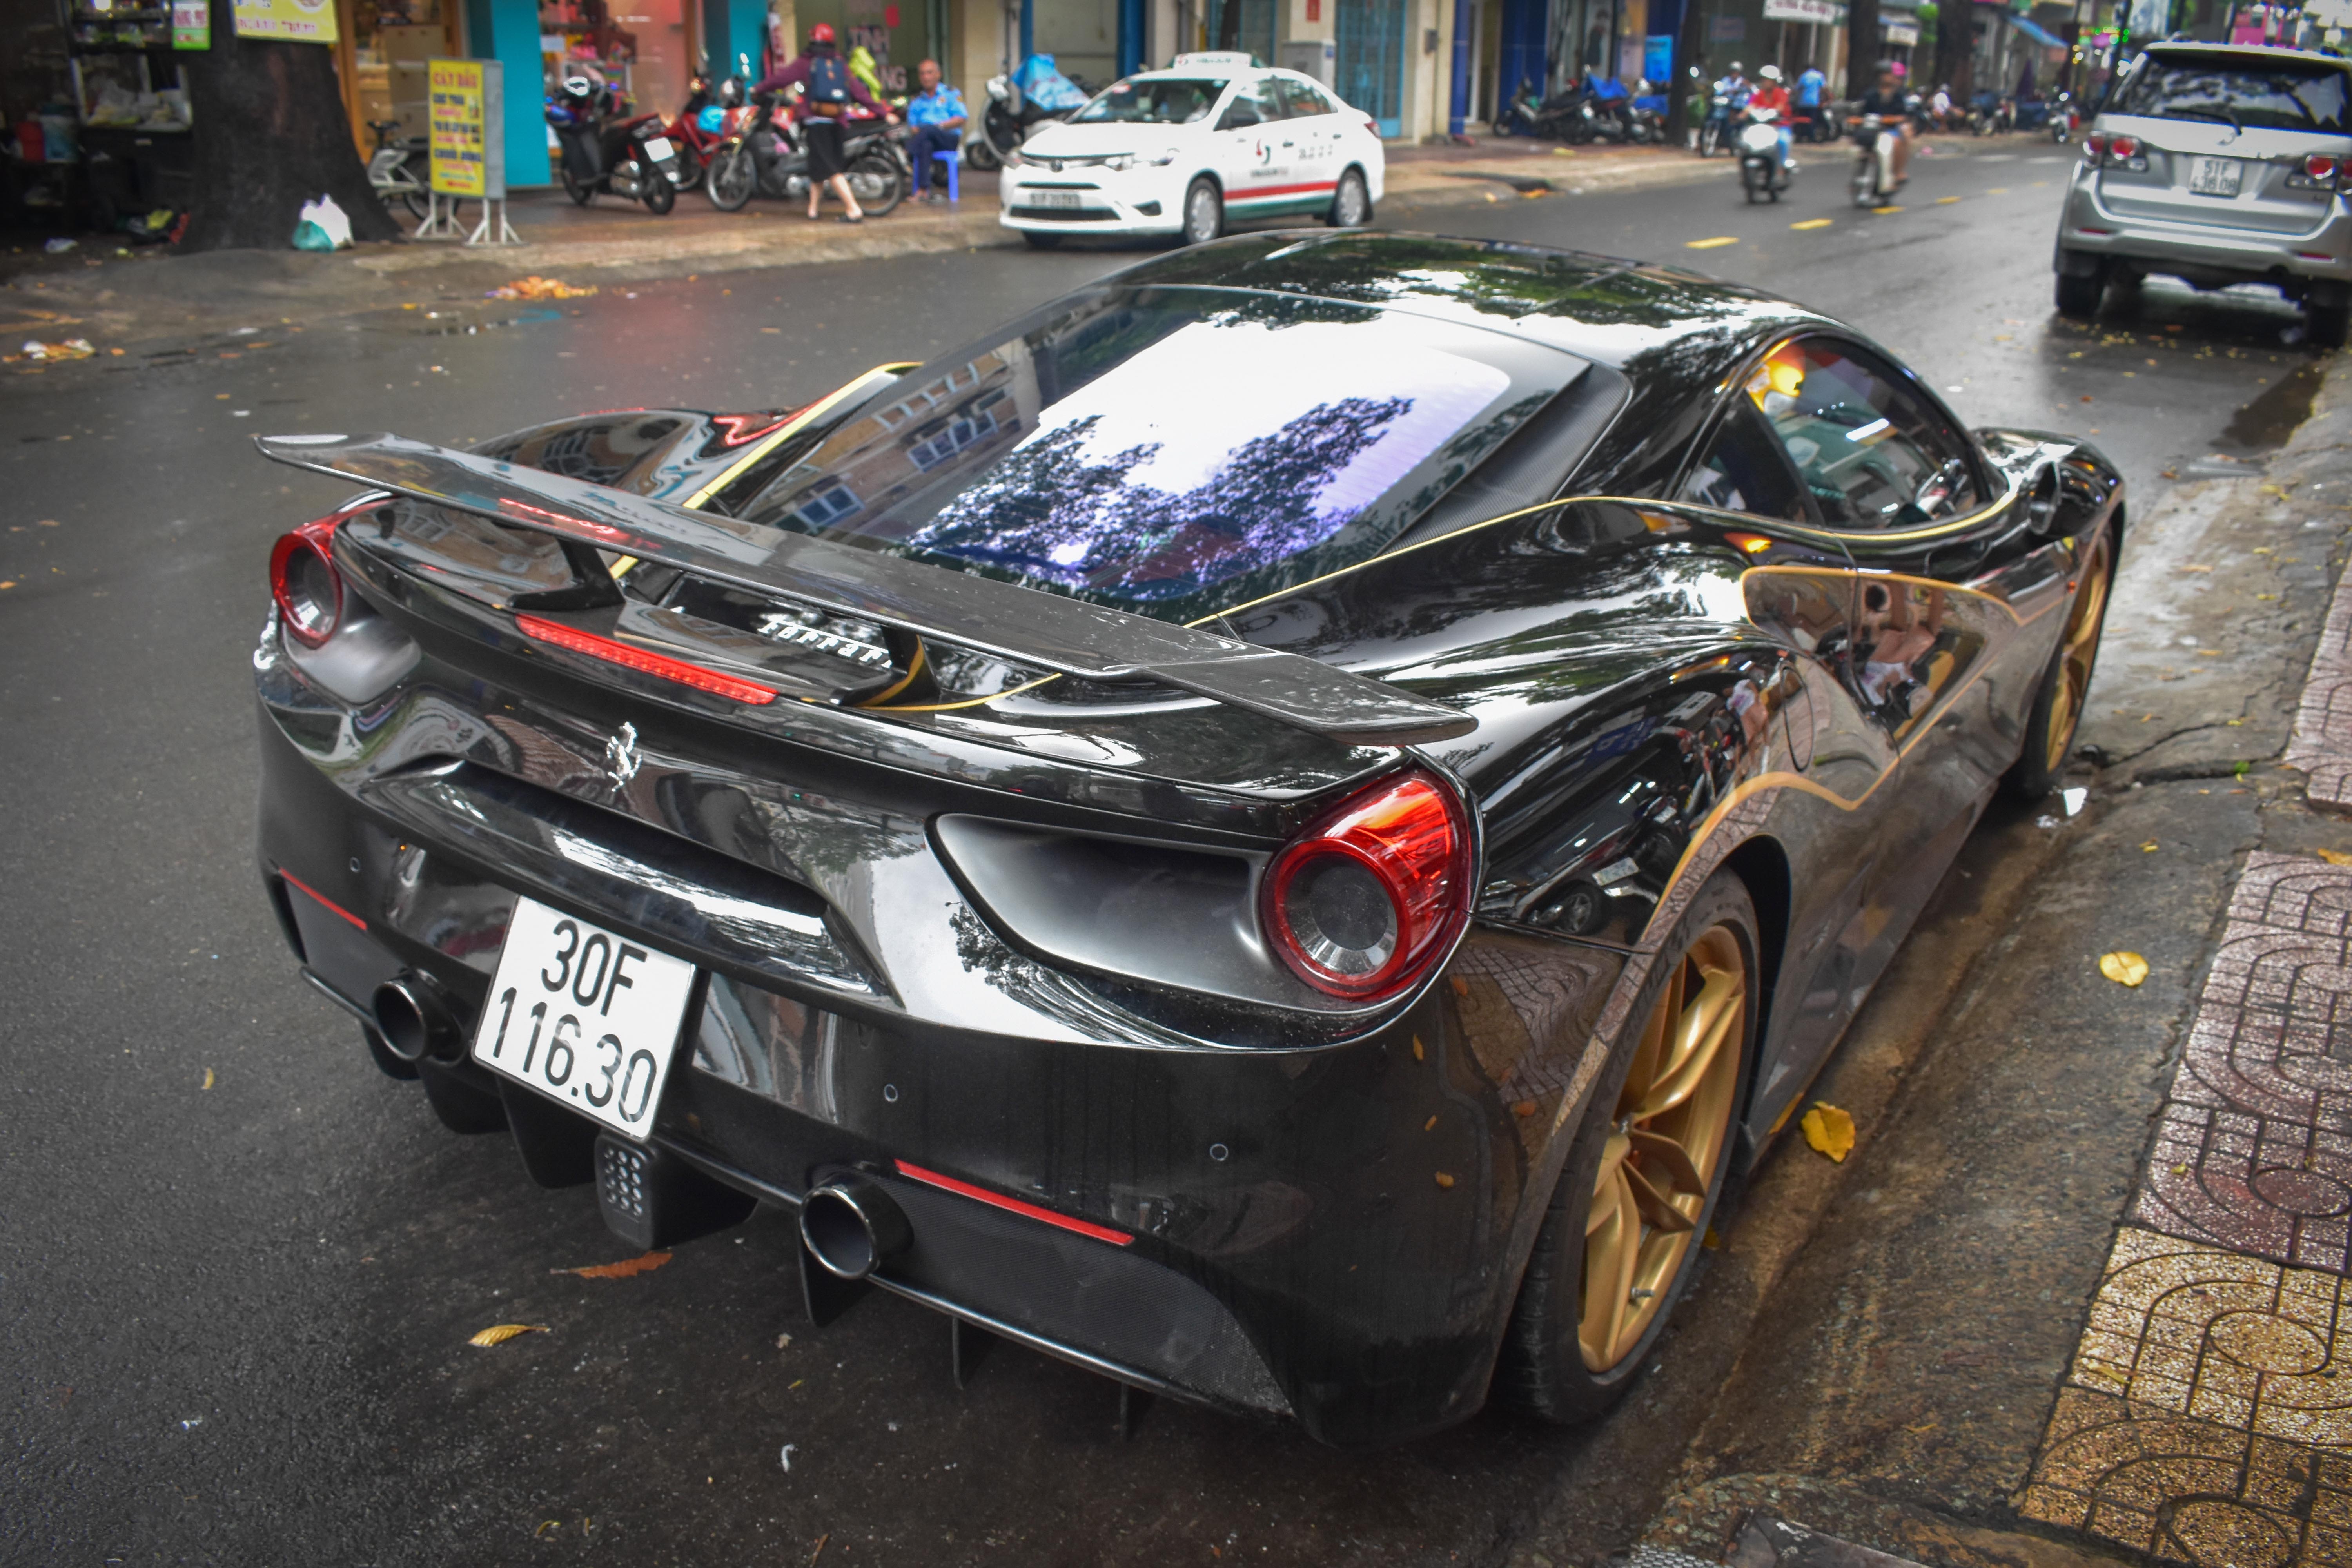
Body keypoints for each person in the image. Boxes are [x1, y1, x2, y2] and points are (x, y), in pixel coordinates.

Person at [751, 22, 896, 223]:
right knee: (818, 167)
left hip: (817, 122)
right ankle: (813, 210)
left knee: (829, 168)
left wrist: (759, 88)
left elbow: (781, 79)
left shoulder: (807, 61)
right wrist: (881, 111)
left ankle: (853, 209)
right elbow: (858, 91)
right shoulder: (839, 63)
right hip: (838, 121)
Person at [905, 58, 967, 202]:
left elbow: (961, 118)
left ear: (938, 75)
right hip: (925, 138)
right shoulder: (917, 102)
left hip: (948, 138)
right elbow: (914, 128)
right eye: (922, 74)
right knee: (926, 145)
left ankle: (908, 152)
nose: (926, 77)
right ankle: (923, 190)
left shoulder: (951, 94)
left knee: (929, 129)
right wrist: (926, 131)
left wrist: (939, 126)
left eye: (930, 73)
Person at [1857, 67, 1912, 186]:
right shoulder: (1870, 94)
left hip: (1890, 129)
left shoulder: (1898, 95)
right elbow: (1862, 112)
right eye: (1885, 74)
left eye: (1890, 74)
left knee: (1898, 141)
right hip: (1872, 129)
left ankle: (1898, 172)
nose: (1888, 77)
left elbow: (1903, 115)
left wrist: (1892, 119)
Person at [1748, 64, 1795, 169]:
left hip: (1780, 126)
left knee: (1782, 141)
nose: (1764, 82)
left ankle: (1781, 167)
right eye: (1763, 79)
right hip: (1762, 126)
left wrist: (1773, 113)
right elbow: (1750, 106)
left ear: (1774, 81)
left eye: (1767, 80)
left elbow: (1780, 107)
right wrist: (1742, 116)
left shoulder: (1780, 93)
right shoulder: (1759, 94)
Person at [1796, 61, 1826, 138]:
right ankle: (1811, 137)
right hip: (1814, 102)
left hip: (1803, 102)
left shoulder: (1803, 76)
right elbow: (1823, 88)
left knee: (1802, 121)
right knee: (1812, 120)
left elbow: (1798, 88)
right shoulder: (1819, 76)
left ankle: (1801, 136)